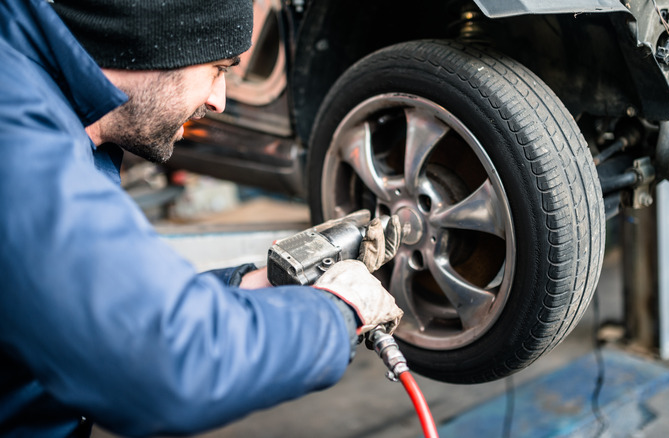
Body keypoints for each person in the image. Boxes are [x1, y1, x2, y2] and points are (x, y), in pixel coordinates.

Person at [0, 0, 403, 436]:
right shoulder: (16, 139)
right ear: (155, 41)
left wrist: (249, 286)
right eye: (218, 68)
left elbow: (97, 314)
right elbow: (165, 367)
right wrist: (335, 313)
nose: (219, 101)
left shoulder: (53, 108)